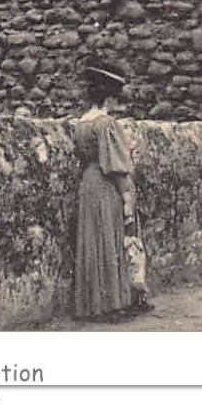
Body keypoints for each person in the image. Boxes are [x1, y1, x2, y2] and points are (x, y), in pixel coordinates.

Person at [73, 61, 148, 320]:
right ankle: (112, 304)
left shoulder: (81, 123)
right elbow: (116, 166)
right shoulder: (106, 124)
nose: (116, 104)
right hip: (105, 184)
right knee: (110, 240)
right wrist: (127, 197)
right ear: (108, 98)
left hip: (87, 183)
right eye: (115, 99)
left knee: (92, 241)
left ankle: (91, 305)